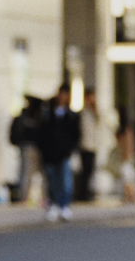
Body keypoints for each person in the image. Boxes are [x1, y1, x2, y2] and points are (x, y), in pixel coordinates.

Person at [35, 85, 81, 222]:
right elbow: (41, 133)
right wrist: (43, 149)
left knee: (65, 181)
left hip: (64, 154)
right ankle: (54, 204)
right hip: (49, 154)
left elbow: (76, 135)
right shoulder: (48, 113)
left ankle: (64, 205)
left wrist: (69, 148)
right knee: (52, 181)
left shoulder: (72, 115)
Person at [76, 90, 101, 202]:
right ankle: (82, 194)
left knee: (90, 171)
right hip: (84, 146)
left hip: (93, 146)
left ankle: (87, 192)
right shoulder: (82, 113)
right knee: (84, 171)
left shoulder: (94, 112)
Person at [116, 109, 135, 205]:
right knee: (128, 178)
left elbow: (126, 145)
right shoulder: (129, 130)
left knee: (127, 178)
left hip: (126, 157)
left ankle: (132, 197)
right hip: (129, 157)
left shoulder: (125, 131)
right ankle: (128, 196)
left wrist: (126, 156)